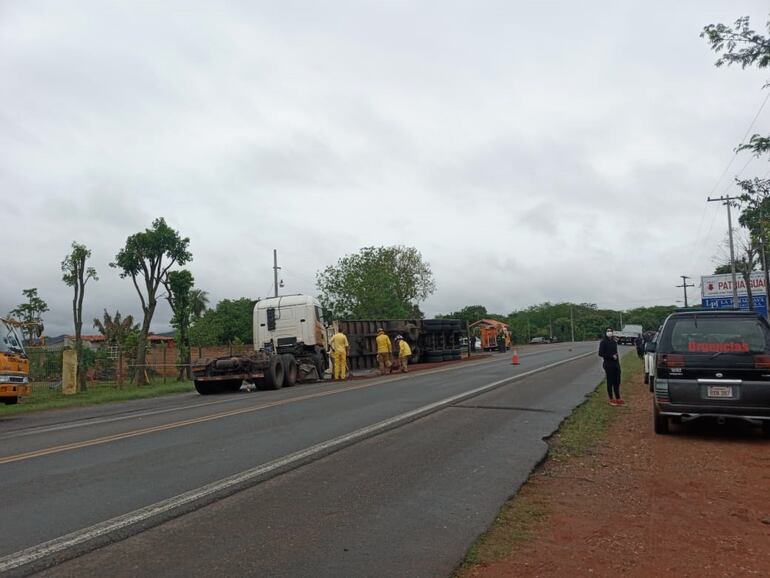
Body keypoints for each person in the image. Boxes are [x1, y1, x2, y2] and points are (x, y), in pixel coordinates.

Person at [599, 327, 623, 405]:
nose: (609, 332)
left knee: (617, 382)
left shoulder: (613, 341)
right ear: (606, 332)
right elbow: (601, 353)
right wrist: (610, 356)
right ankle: (611, 399)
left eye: (610, 331)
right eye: (608, 331)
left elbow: (616, 353)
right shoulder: (603, 342)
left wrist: (618, 365)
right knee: (610, 382)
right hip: (608, 364)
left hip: (615, 364)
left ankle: (618, 398)